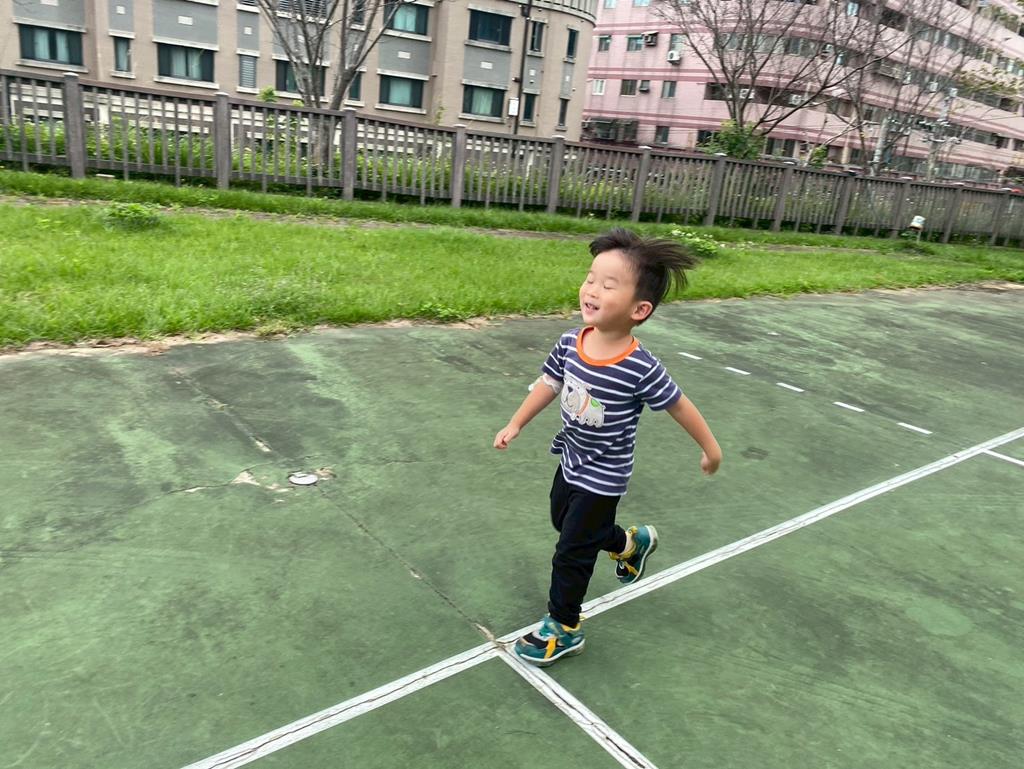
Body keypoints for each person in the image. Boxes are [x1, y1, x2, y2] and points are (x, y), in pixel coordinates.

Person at [493, 227, 722, 666]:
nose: (592, 289)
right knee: (563, 522)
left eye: (608, 284)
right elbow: (549, 383)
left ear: (639, 309)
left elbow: (679, 405)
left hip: (605, 475)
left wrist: (711, 449)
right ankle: (630, 545)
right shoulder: (570, 342)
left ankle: (564, 626)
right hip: (571, 458)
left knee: (572, 552)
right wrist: (516, 422)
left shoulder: (640, 367)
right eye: (590, 278)